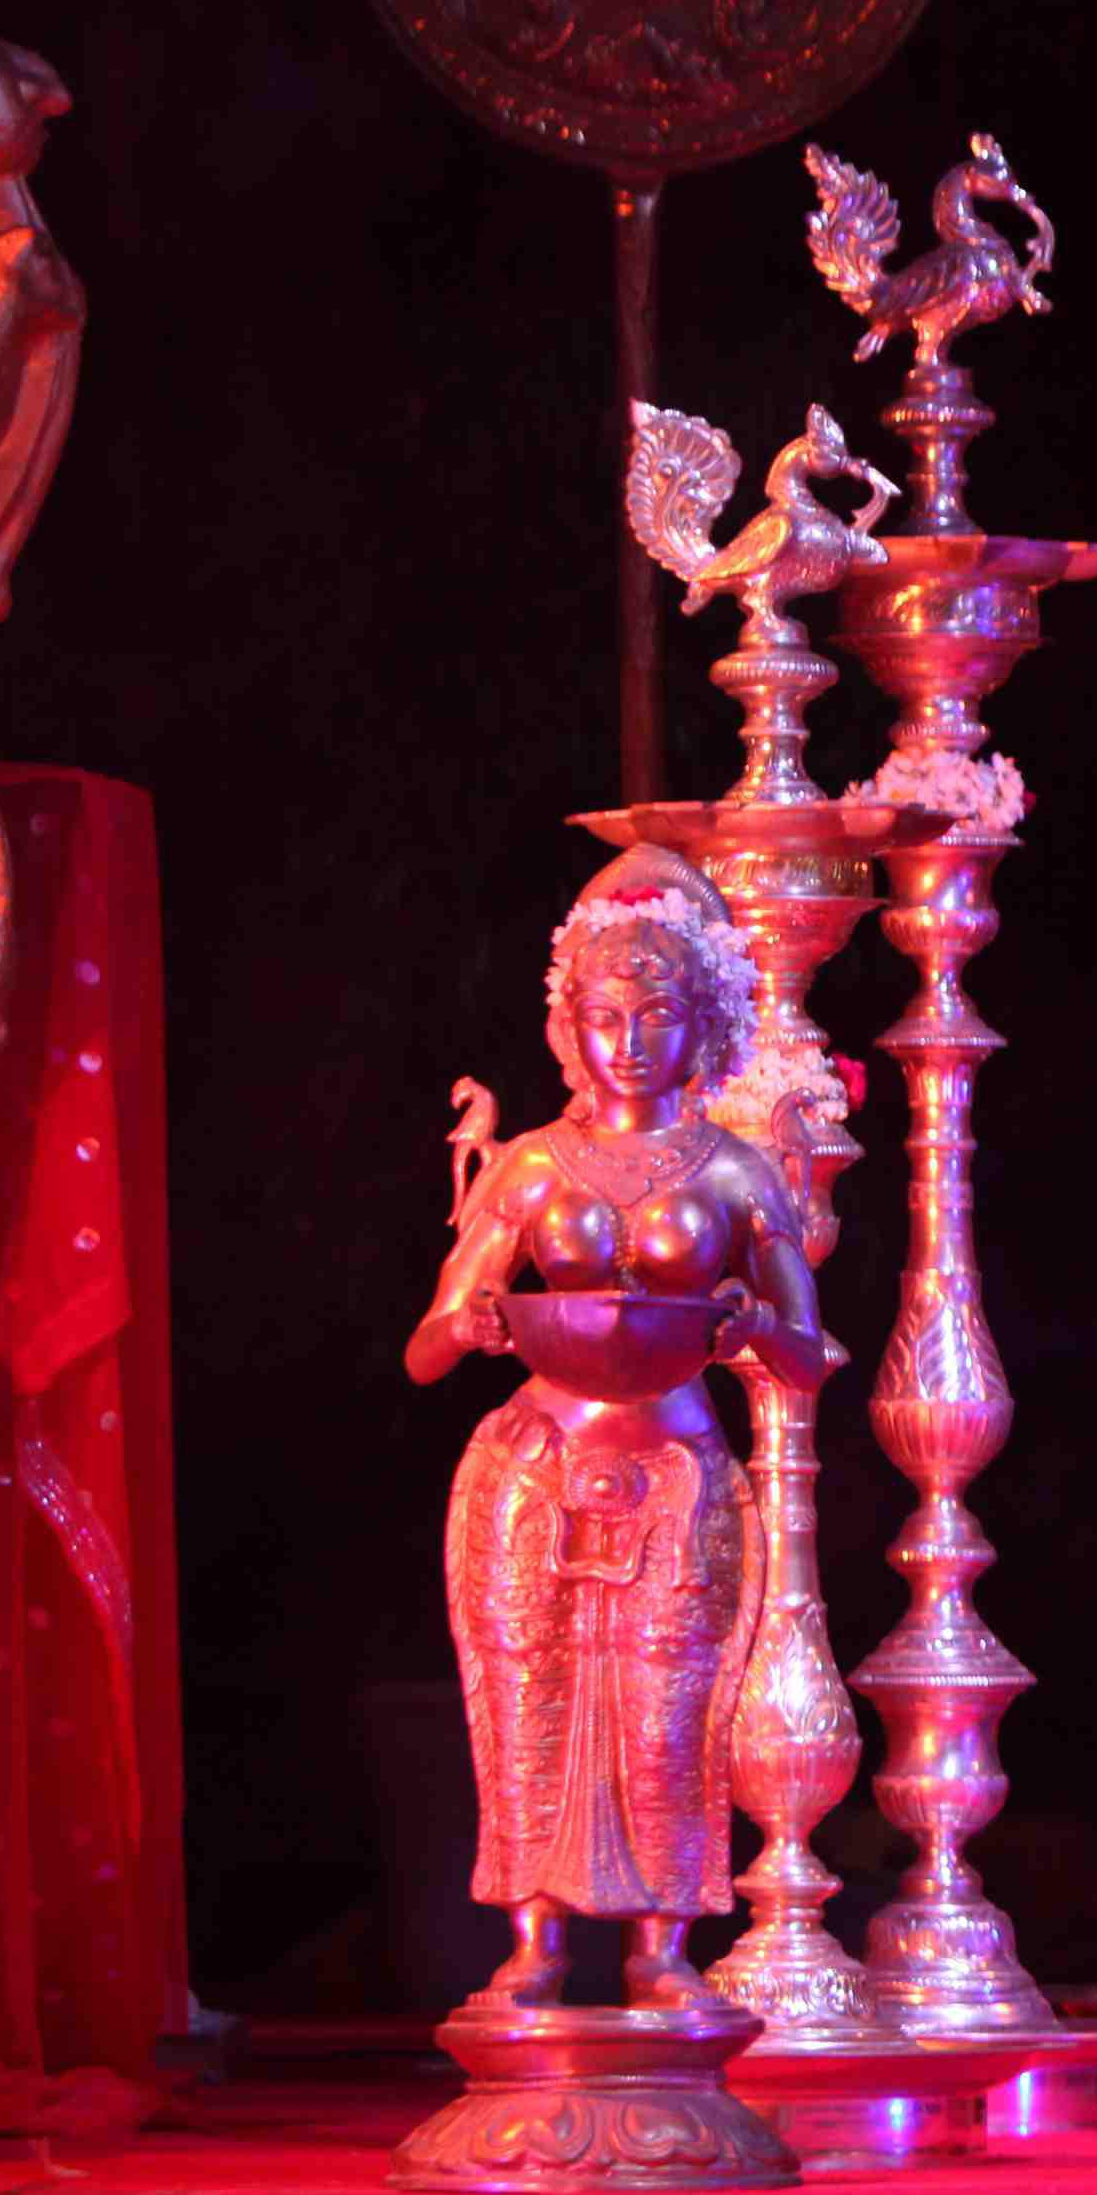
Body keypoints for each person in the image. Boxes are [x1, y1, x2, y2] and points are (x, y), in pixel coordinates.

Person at [401, 848, 837, 2012]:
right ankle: (532, 1941)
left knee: (669, 1707)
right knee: (528, 1696)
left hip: (677, 1463)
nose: (630, 1041)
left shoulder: (739, 1172)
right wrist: (475, 1323)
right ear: (568, 1028)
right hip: (536, 1459)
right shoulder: (530, 1166)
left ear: (702, 1025)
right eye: (605, 1017)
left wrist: (755, 1324)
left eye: (656, 1015)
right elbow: (425, 1347)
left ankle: (661, 1946)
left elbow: (808, 1356)